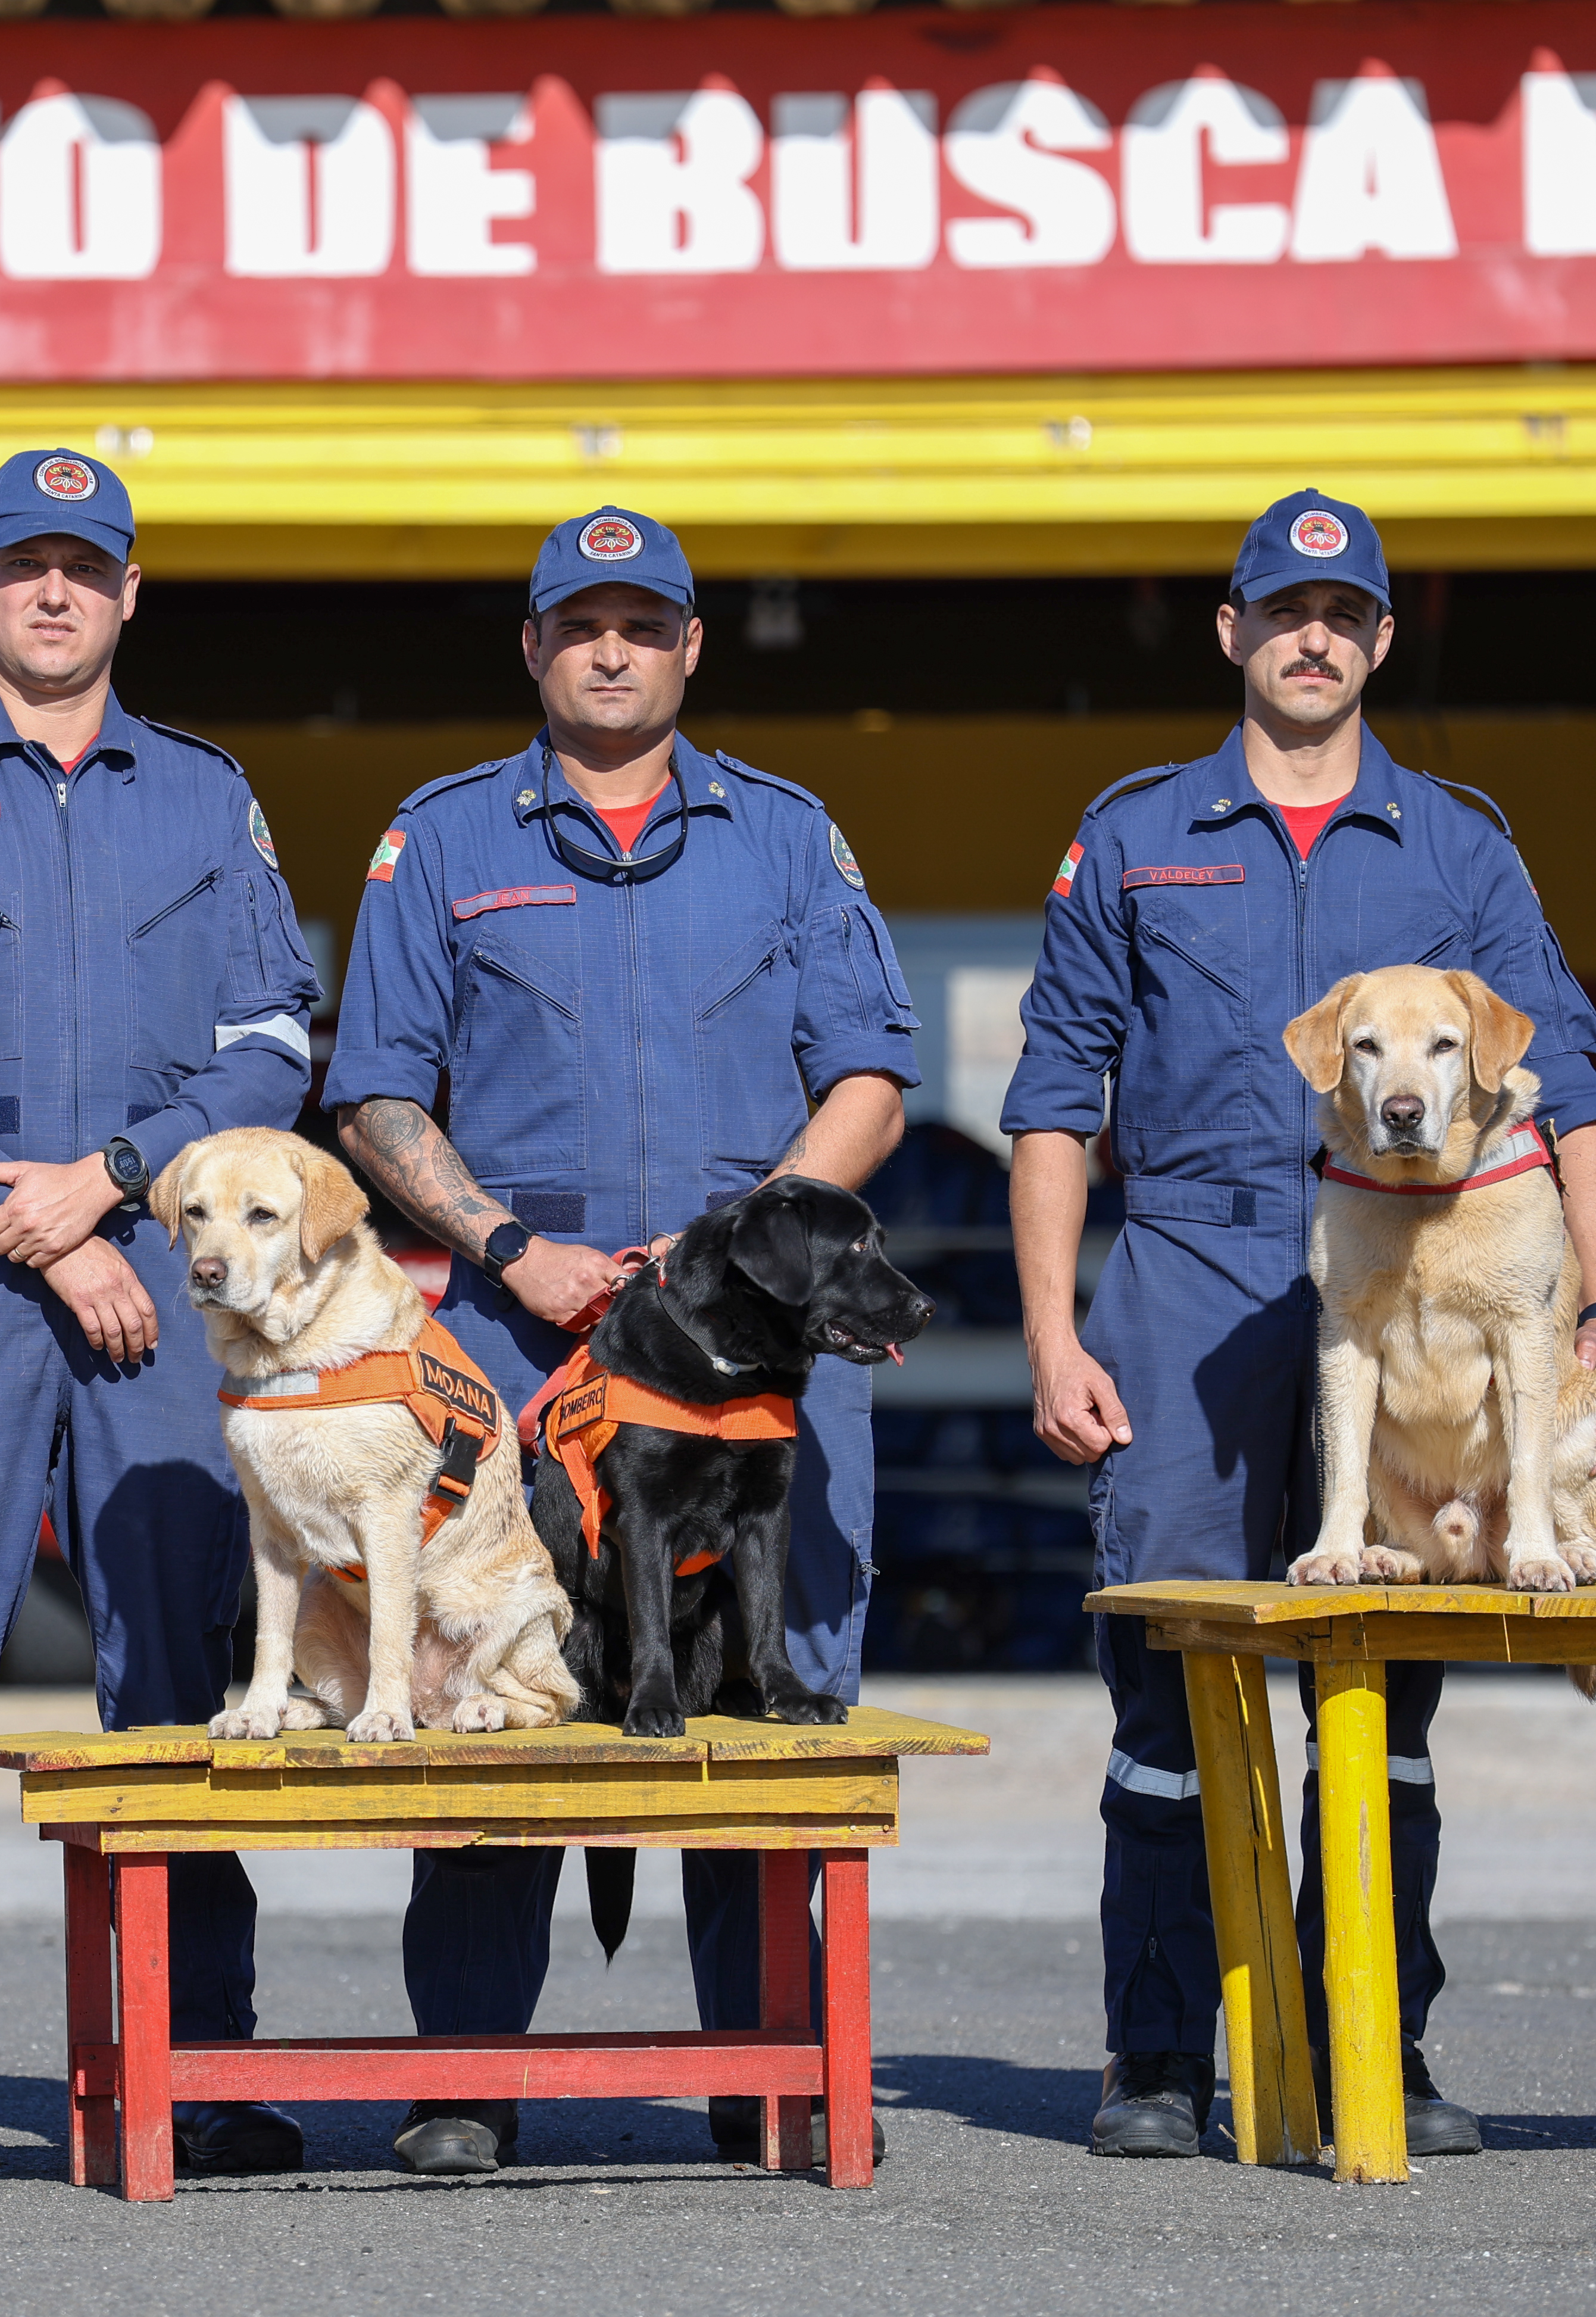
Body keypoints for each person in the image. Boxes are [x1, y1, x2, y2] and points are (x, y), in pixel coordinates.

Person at [1005, 490, 1596, 2160]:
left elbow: (1565, 1088)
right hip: (1191, 1283)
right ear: (1231, 632)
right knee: (1165, 1681)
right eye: (1282, 609)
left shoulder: (1457, 843)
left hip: (1416, 1281)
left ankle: (1380, 2042)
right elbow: (1054, 1104)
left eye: (1343, 614)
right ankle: (1159, 2062)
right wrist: (1054, 1334)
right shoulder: (1137, 834)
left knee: (1390, 1699)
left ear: (1376, 639)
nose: (1312, 637)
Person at [325, 507, 922, 2175]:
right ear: (533, 649)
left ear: (690, 650)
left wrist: (741, 1249)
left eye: (643, 626)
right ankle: (465, 2081)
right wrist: (513, 1247)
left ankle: (772, 2076)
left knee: (763, 1701)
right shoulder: (440, 841)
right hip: (533, 1348)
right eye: (579, 625)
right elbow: (375, 1092)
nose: (612, 651)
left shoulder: (787, 839)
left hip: (753, 1361)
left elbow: (869, 1078)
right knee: (498, 1699)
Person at [0, 450, 324, 2183]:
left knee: (178, 1679)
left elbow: (271, 1041)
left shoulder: (206, 797)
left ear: (127, 594)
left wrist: (109, 1184)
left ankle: (196, 2065)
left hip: (165, 1276)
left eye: (83, 571)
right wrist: (29, 1217)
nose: (53, 594)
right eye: (23, 566)